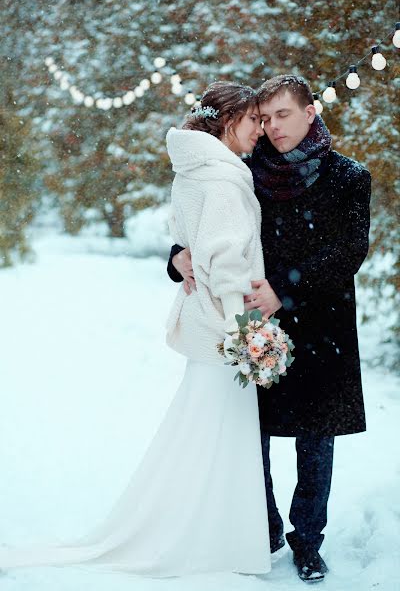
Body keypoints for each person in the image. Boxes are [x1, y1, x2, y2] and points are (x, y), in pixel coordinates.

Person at [0, 82, 271, 577]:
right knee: (217, 438)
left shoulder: (195, 171)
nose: (261, 129)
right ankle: (209, 540)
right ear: (229, 122)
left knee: (204, 437)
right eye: (253, 119)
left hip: (207, 326)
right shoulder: (223, 181)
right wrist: (247, 333)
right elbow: (225, 262)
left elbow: (189, 245)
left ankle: (211, 533)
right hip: (224, 329)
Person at [167, 74, 371, 583]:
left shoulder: (348, 176)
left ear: (311, 113)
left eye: (283, 114)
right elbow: (204, 222)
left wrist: (286, 287)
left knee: (315, 439)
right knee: (249, 433)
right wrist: (177, 255)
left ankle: (308, 541)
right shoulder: (242, 169)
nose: (272, 126)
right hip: (255, 326)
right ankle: (264, 526)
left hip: (321, 324)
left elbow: (349, 251)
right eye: (264, 117)